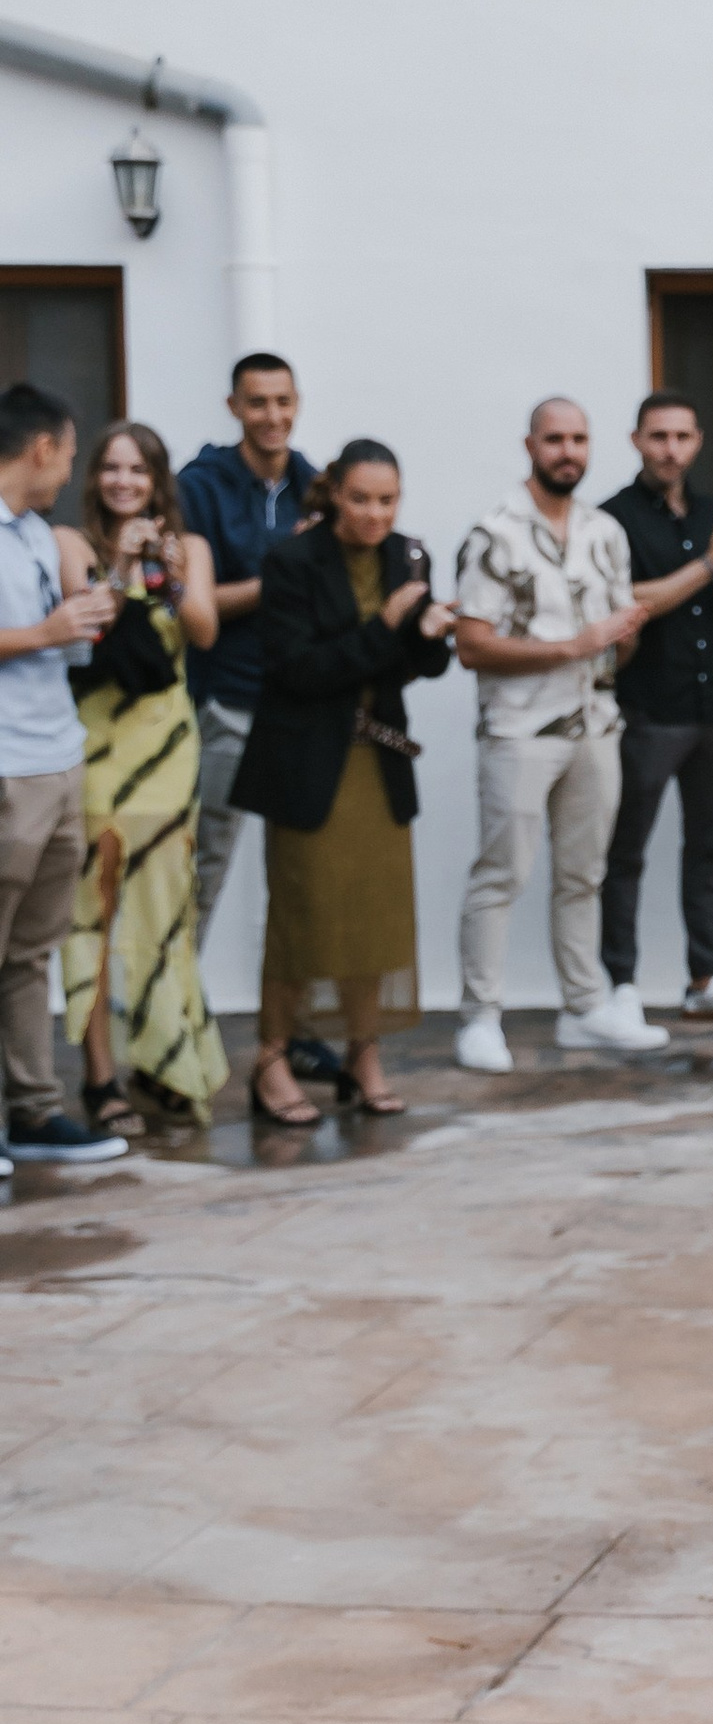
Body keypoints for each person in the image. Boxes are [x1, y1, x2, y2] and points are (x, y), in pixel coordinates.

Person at [229, 442, 456, 1124]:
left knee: (375, 921)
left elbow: (419, 666)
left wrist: (430, 635)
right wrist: (388, 627)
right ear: (333, 495)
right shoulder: (291, 560)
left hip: (377, 766)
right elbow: (299, 670)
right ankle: (272, 1057)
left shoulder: (407, 556)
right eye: (360, 499)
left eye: (387, 500)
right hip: (306, 767)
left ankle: (364, 1055)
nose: (374, 514)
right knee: (302, 921)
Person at [451, 399, 648, 1073]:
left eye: (579, 439)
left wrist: (617, 639)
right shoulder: (493, 533)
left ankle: (584, 1009)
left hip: (596, 723)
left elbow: (620, 629)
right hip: (519, 728)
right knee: (502, 872)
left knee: (583, 874)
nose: (568, 450)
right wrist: (573, 646)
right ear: (530, 445)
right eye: (555, 439)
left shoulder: (604, 532)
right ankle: (479, 1018)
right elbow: (472, 645)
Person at [59, 423, 227, 1136]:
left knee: (165, 917)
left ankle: (163, 1064)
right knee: (90, 919)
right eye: (111, 468)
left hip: (167, 749)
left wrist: (166, 570)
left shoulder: (188, 549)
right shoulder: (71, 545)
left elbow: (205, 631)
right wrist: (121, 571)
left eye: (138, 470)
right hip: (97, 749)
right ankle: (101, 1077)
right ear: (95, 477)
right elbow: (92, 635)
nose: (123, 482)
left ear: (158, 482)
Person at [595, 393, 713, 1036]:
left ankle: (702, 978)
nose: (671, 449)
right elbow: (628, 601)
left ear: (697, 442)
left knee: (709, 847)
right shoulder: (611, 519)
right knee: (627, 851)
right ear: (637, 440)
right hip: (648, 708)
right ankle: (620, 986)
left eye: (682, 437)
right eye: (658, 436)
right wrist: (711, 562)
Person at [0, 383, 126, 1173]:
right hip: (4, 766)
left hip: (57, 756)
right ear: (41, 447)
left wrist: (86, 617)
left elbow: (59, 645)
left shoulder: (43, 536)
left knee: (32, 951)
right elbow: (33, 635)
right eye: (72, 453)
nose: (70, 467)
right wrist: (43, 631)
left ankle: (33, 1111)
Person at [177, 352, 316, 941]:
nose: (271, 415)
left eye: (282, 401)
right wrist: (281, 575)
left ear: (297, 404)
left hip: (299, 700)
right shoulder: (197, 487)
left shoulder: (316, 486)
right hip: (225, 698)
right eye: (257, 402)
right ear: (234, 407)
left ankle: (294, 1026)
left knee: (301, 872)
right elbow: (196, 606)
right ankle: (169, 1018)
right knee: (205, 862)